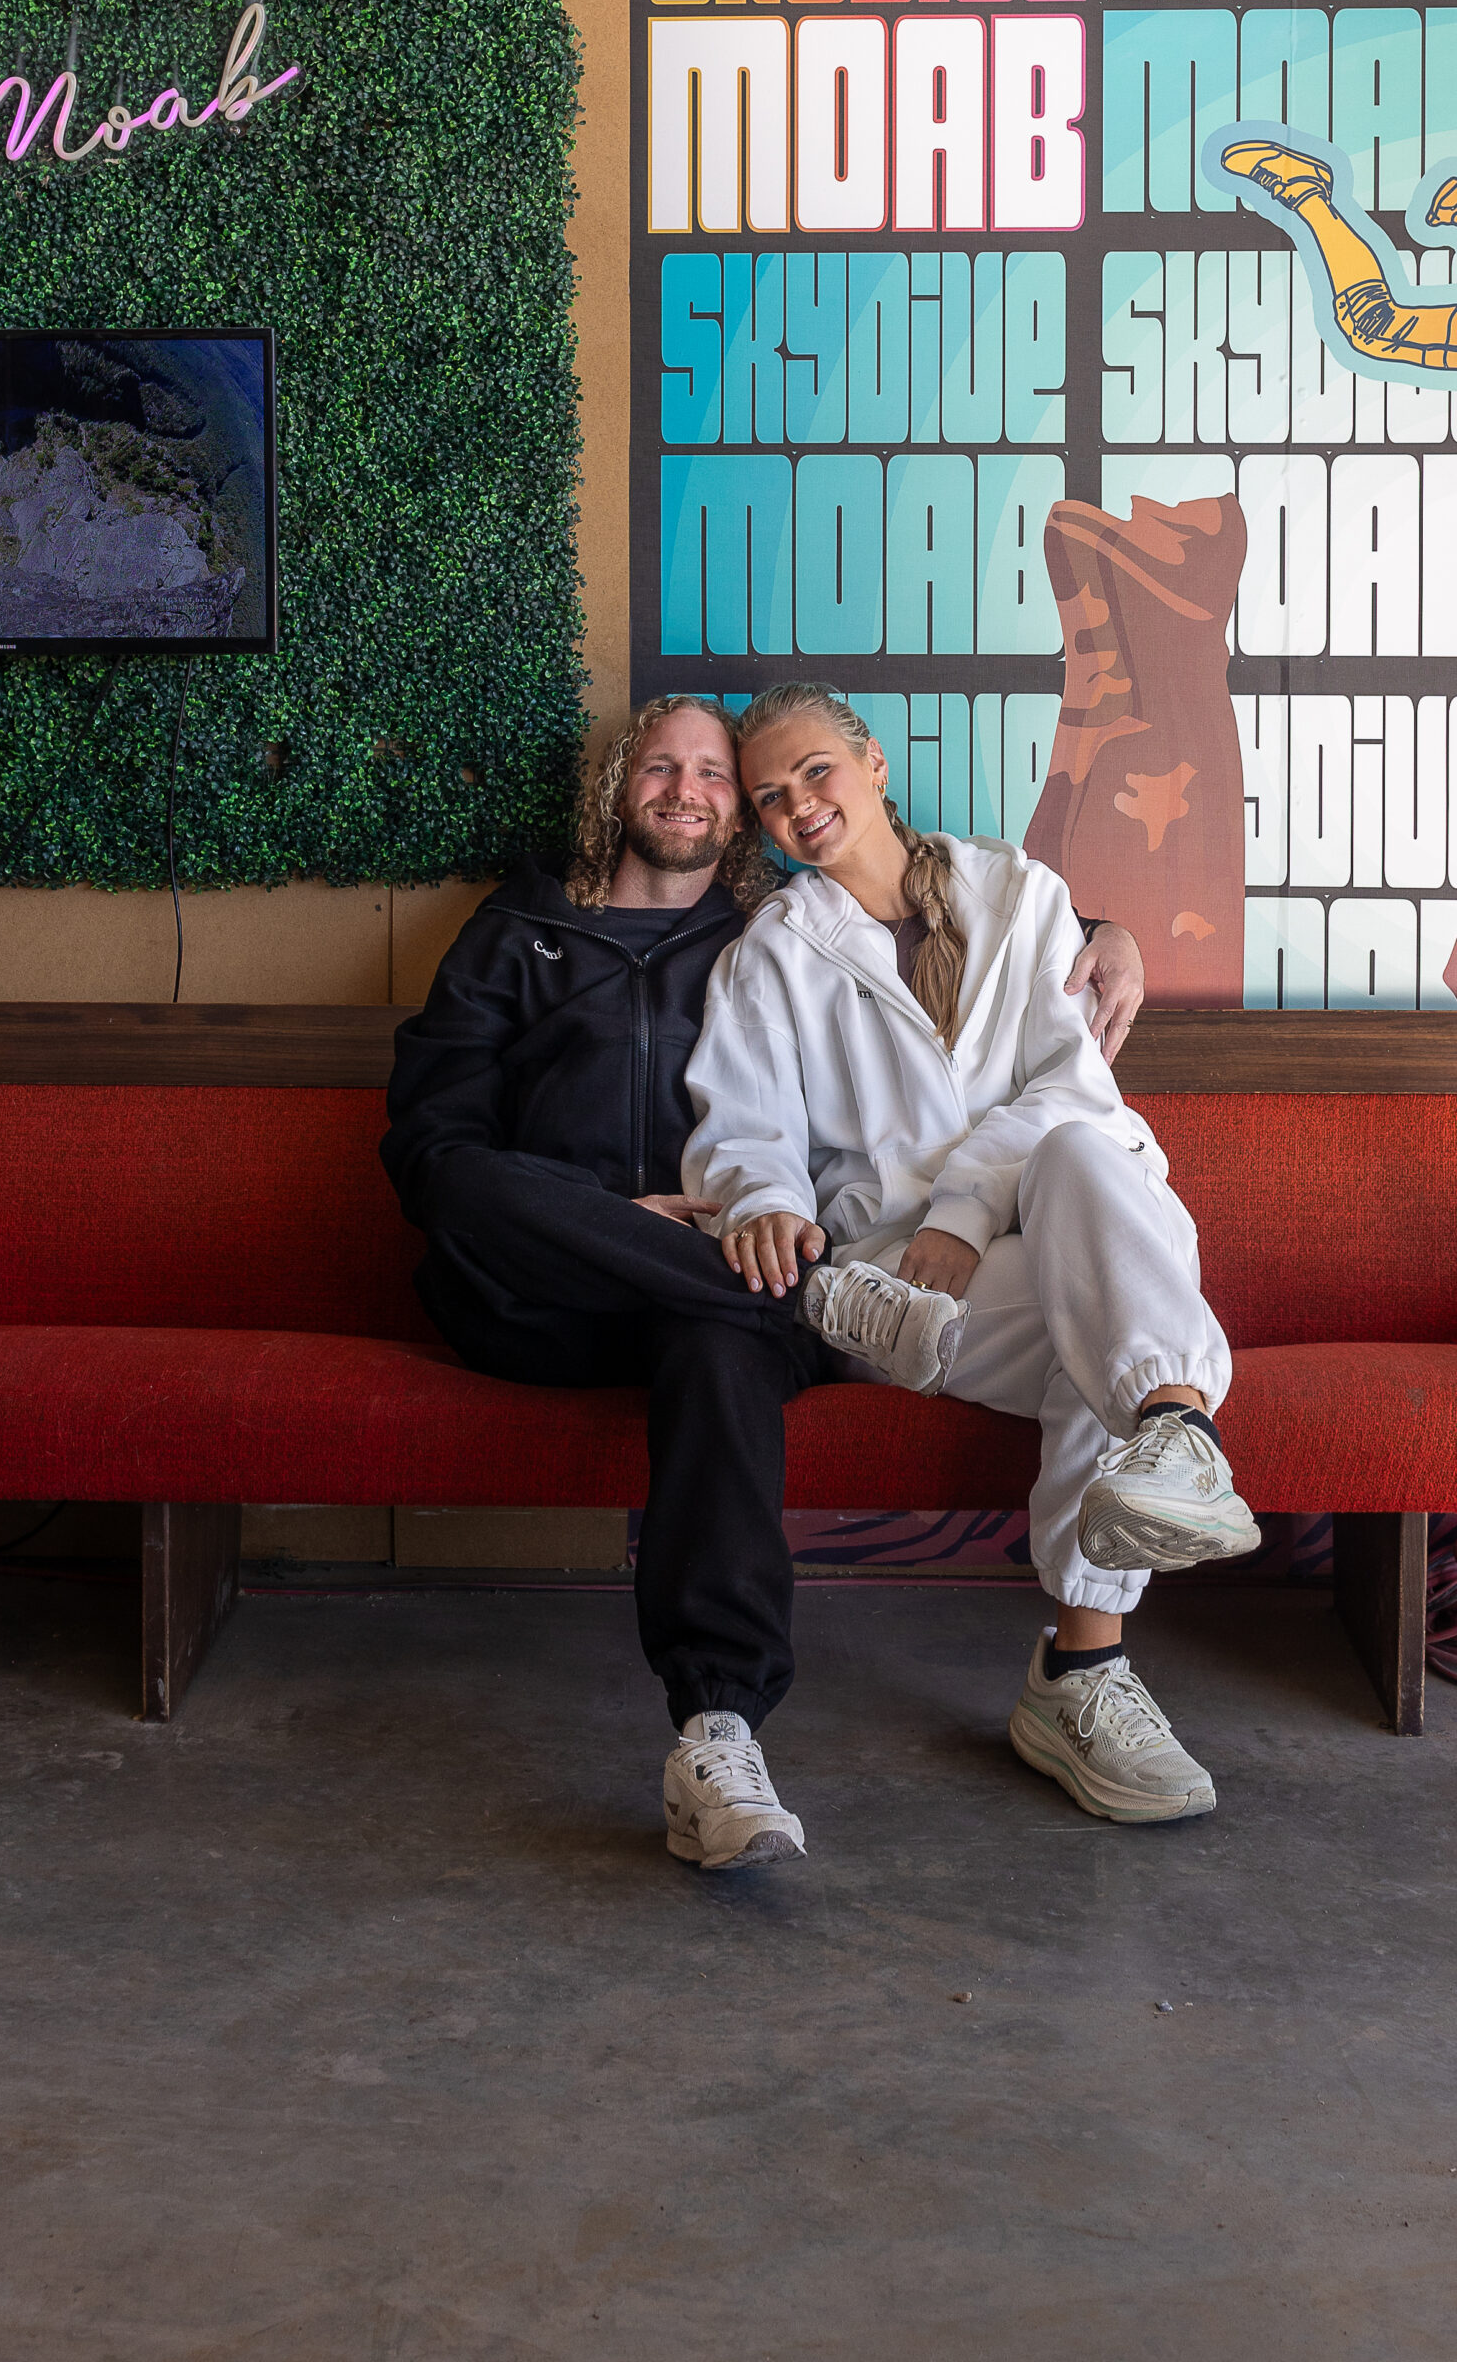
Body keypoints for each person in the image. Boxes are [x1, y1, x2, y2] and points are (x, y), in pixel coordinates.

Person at [382, 694, 1147, 1869]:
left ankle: (714, 1731)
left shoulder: (764, 934)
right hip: (540, 1290)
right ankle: (807, 1297)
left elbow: (939, 895)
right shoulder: (513, 932)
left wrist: (1103, 927)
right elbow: (428, 1149)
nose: (685, 789)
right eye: (658, 767)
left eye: (711, 774)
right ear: (616, 787)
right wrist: (600, 1215)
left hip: (715, 1288)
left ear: (736, 813)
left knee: (718, 1339)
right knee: (475, 1188)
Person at [682, 681, 1259, 1835]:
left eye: (814, 773)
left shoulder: (1023, 894)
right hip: (924, 1288)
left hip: (1065, 1227)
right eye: (767, 798)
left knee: (1083, 1161)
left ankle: (1165, 1435)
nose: (796, 806)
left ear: (873, 764)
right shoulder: (771, 956)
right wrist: (761, 1205)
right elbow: (742, 1131)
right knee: (1101, 1323)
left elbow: (1069, 1081)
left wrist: (962, 1201)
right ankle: (1089, 1652)